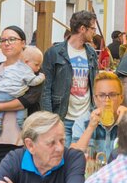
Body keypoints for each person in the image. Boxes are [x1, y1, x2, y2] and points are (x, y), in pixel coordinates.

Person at [0, 26, 43, 179]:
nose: (7, 43)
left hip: (20, 144)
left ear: (23, 43)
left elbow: (27, 101)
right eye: (3, 40)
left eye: (12, 39)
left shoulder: (35, 72)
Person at [41, 10, 99, 143]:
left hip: (86, 118)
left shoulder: (91, 53)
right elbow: (46, 89)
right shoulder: (55, 53)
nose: (94, 33)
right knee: (62, 159)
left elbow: (94, 84)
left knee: (83, 159)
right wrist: (49, 119)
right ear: (82, 28)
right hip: (62, 118)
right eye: (92, 29)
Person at [0, 46, 45, 137]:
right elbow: (33, 82)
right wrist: (41, 77)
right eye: (36, 65)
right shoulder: (27, 70)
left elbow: (2, 75)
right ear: (26, 62)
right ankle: (21, 124)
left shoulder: (11, 67)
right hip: (14, 94)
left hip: (0, 93)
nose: (39, 68)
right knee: (22, 107)